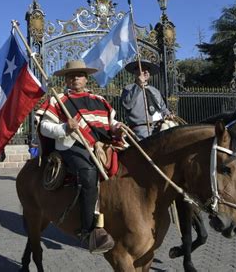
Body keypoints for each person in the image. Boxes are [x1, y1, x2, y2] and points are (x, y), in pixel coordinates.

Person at [37, 60, 124, 254]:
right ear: (66, 79)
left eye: (80, 75)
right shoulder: (57, 100)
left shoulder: (99, 100)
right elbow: (44, 127)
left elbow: (111, 123)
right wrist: (65, 128)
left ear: (86, 78)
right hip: (71, 146)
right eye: (71, 75)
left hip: (100, 145)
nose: (76, 78)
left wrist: (117, 128)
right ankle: (88, 230)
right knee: (88, 173)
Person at [120, 59, 172, 140]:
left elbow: (163, 108)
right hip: (141, 128)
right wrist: (139, 86)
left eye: (147, 70)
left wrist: (168, 114)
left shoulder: (155, 91)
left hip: (160, 126)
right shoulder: (128, 89)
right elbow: (126, 105)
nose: (146, 72)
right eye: (142, 69)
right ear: (135, 72)